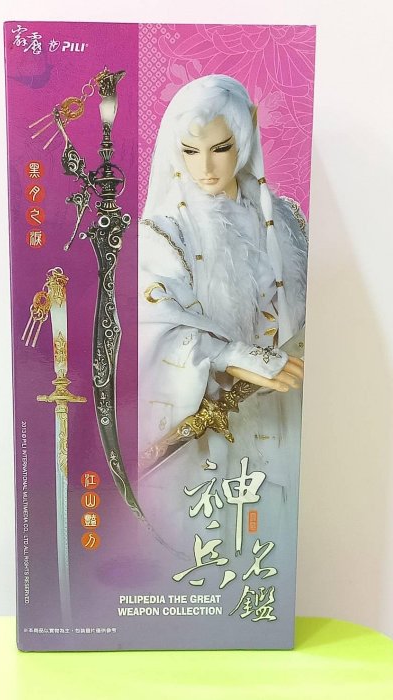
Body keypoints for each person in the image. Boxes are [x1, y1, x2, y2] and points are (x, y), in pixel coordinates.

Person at [138, 75, 308, 585]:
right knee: (208, 550)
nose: (205, 167)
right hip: (209, 419)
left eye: (220, 148)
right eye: (190, 151)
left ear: (246, 135)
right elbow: (154, 317)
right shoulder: (165, 230)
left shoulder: (285, 220)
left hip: (284, 409)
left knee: (271, 545)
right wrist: (238, 356)